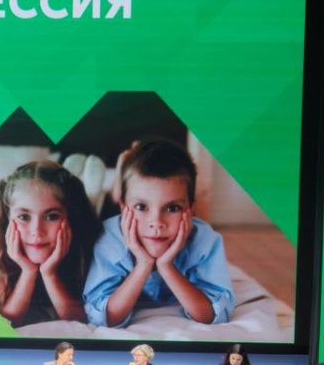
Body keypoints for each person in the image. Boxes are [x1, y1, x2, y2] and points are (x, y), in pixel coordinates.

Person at [83, 138, 235, 327]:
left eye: (172, 208)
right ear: (123, 207)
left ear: (191, 210)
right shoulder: (109, 240)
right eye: (141, 207)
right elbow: (105, 318)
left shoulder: (205, 241)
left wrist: (166, 266)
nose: (157, 223)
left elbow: (211, 315)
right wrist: (143, 265)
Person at [0, 160, 103, 326]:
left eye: (51, 216)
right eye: (24, 217)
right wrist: (28, 271)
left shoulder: (85, 252)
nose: (37, 230)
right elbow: (8, 320)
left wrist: (49, 273)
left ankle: (92, 192)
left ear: (69, 218)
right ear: (7, 219)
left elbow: (80, 321)